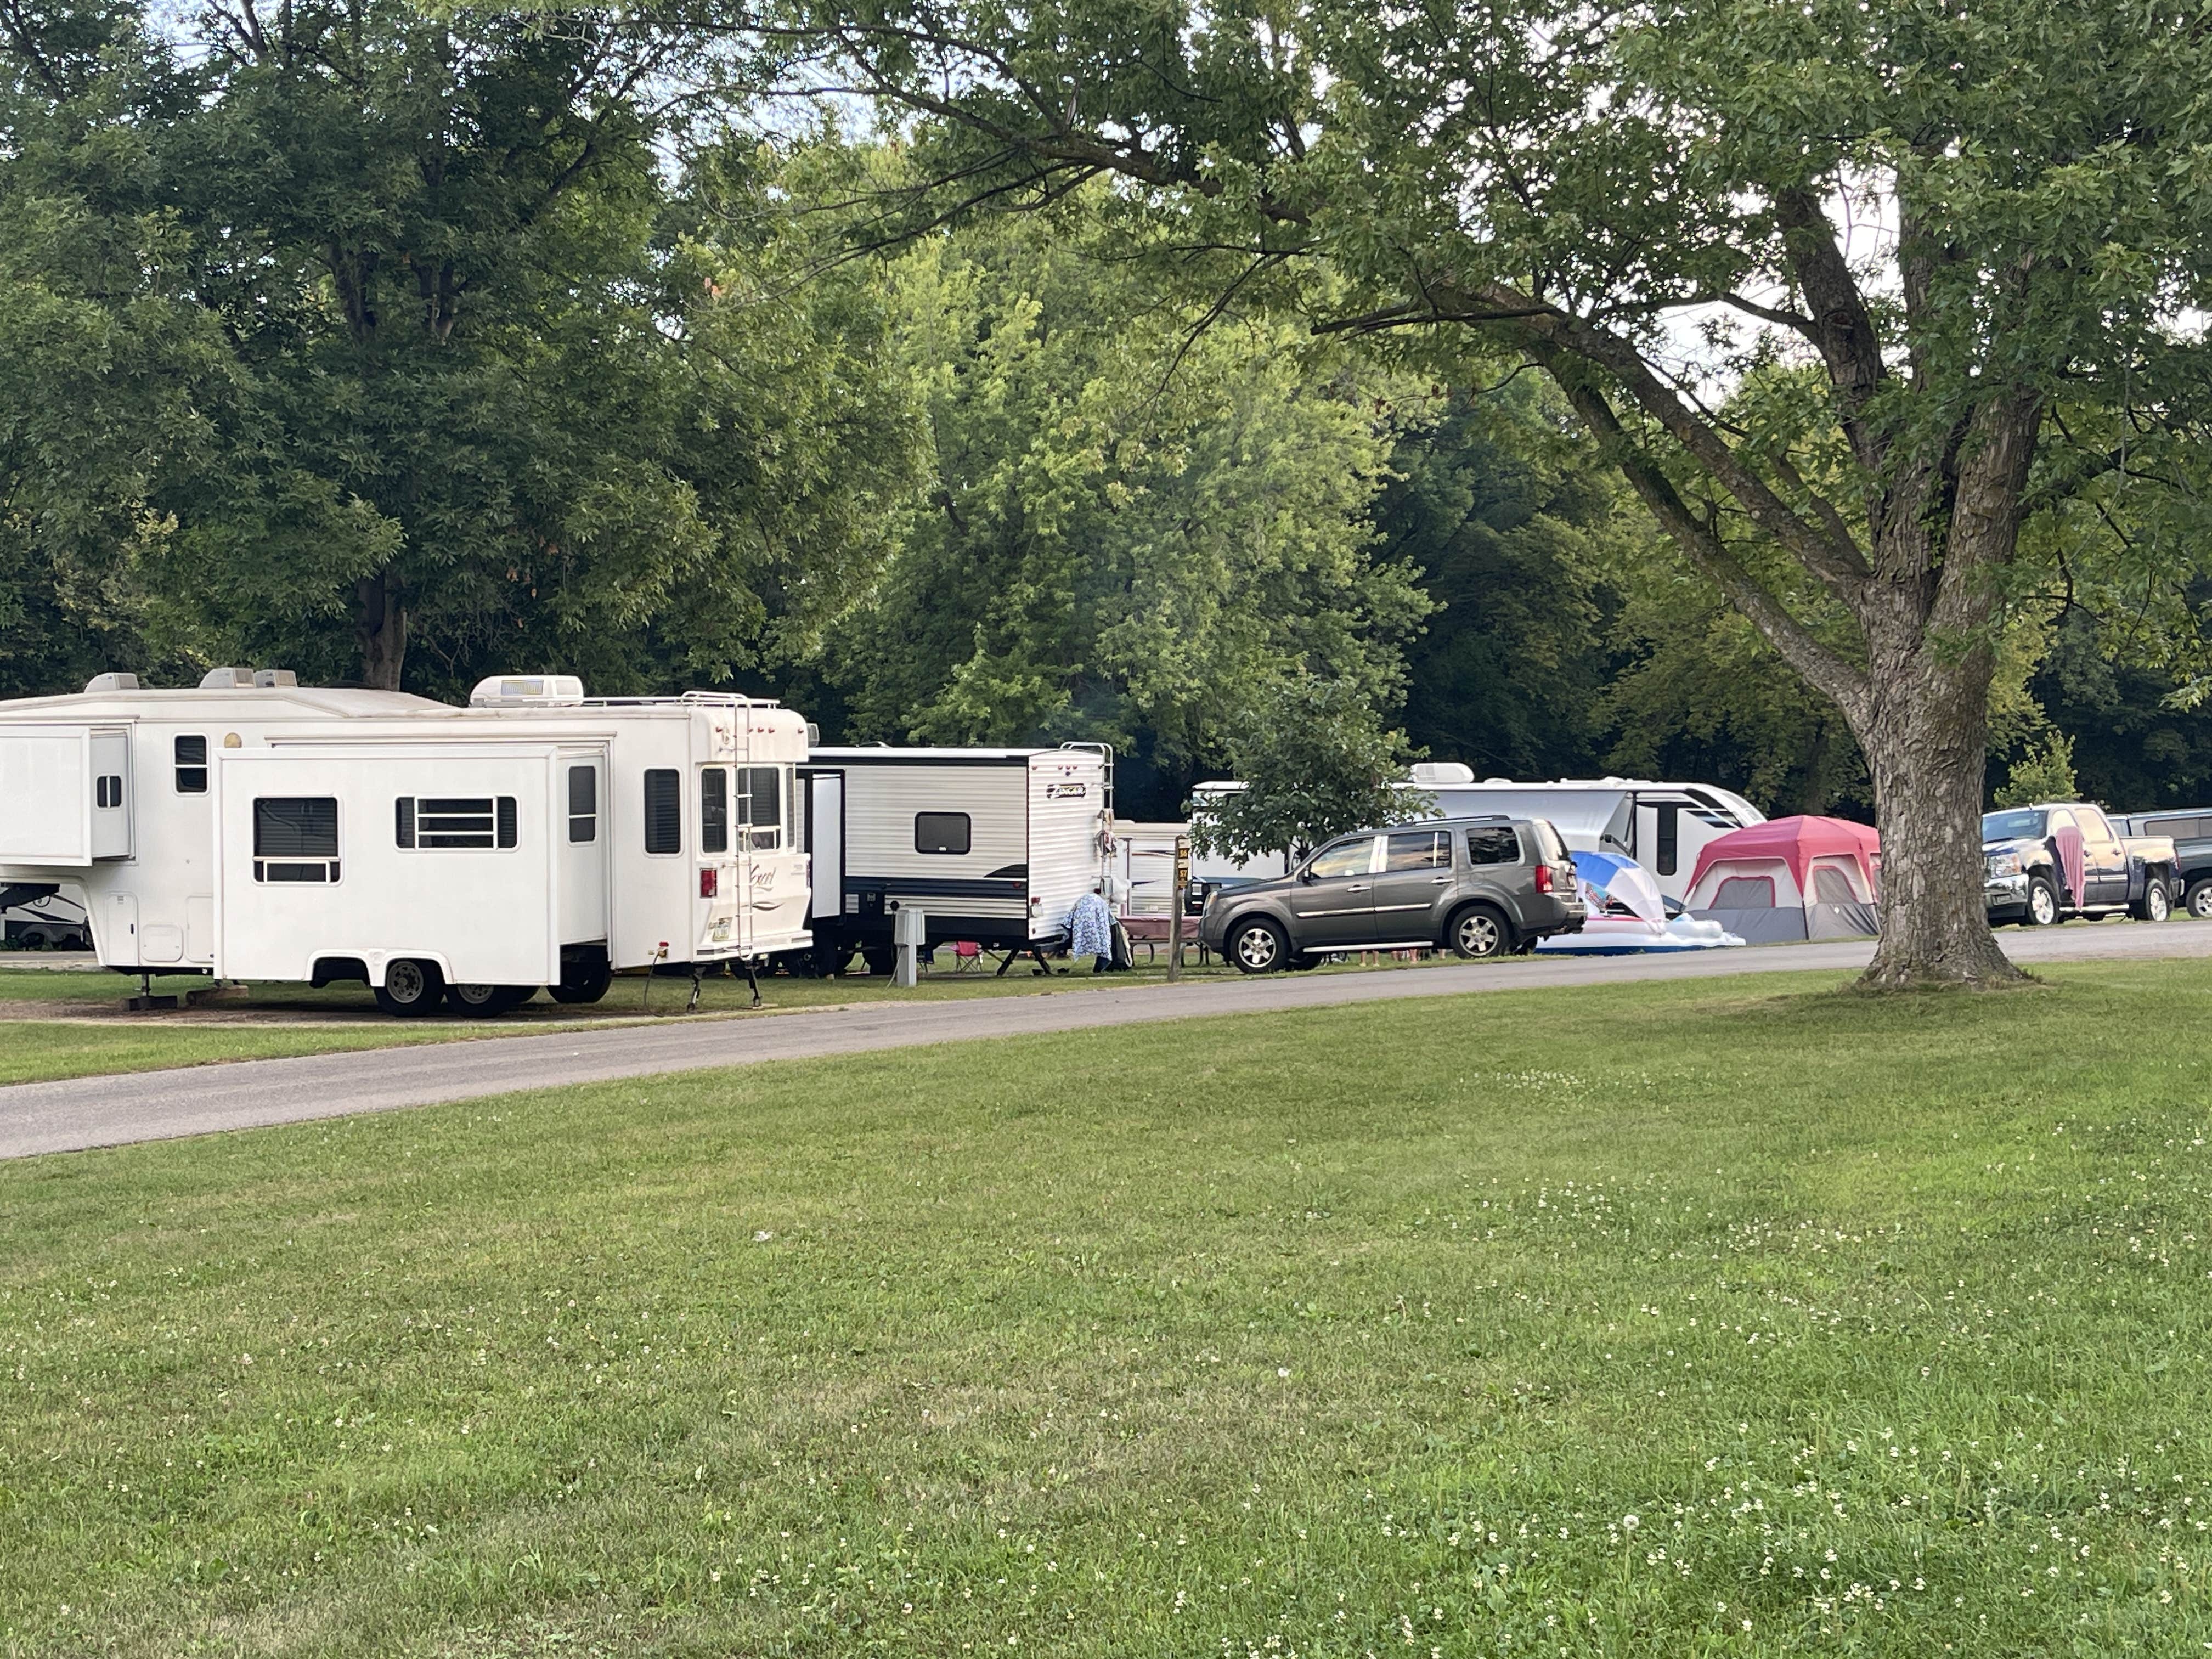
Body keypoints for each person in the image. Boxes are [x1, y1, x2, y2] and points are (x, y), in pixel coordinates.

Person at [1068, 884, 1115, 973]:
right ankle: (1099, 969)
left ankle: (1099, 968)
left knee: (1103, 948)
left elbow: (1068, 919)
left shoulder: (1083, 902)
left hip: (1080, 929)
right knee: (1105, 949)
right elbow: (1111, 920)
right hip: (1098, 930)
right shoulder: (1101, 904)